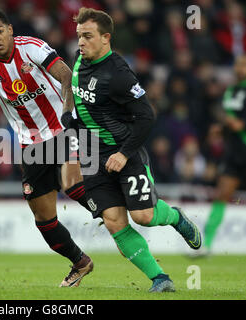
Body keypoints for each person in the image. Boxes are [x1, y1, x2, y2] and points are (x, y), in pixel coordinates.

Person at [0, 8, 93, 287]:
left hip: (62, 129)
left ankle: (111, 209)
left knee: (72, 185)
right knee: (43, 218)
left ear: (10, 30)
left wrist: (67, 112)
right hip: (30, 144)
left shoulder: (33, 48)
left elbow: (65, 76)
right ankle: (80, 262)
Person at [62, 7, 202, 292]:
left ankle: (175, 217)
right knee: (114, 222)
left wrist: (123, 153)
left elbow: (147, 116)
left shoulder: (119, 74)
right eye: (78, 36)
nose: (80, 42)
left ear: (106, 38)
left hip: (124, 153)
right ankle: (160, 279)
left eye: (87, 36)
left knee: (144, 217)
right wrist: (70, 117)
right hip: (93, 156)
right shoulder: (79, 60)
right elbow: (76, 91)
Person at [201, 55, 246, 255]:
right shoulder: (232, 91)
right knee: (222, 195)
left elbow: (236, 122)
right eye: (238, 64)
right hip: (236, 153)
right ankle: (206, 244)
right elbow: (233, 121)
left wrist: (230, 124)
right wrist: (222, 128)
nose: (239, 68)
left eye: (243, 65)